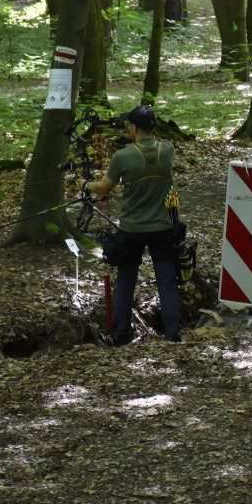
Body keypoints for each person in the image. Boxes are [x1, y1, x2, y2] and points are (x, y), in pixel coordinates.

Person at [83, 105, 180, 345]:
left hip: (132, 230)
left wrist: (86, 185)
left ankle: (121, 336)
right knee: (166, 281)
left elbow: (104, 187)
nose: (128, 128)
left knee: (126, 281)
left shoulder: (123, 156)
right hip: (161, 228)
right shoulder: (167, 150)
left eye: (129, 124)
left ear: (135, 128)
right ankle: (172, 336)